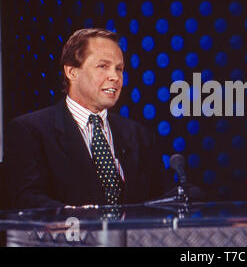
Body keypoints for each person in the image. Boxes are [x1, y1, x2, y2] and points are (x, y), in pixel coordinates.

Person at [4, 28, 168, 209]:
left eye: (119, 69)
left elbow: (160, 200)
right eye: (103, 66)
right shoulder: (30, 131)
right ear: (72, 72)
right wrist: (73, 218)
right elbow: (25, 199)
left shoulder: (140, 136)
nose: (115, 77)